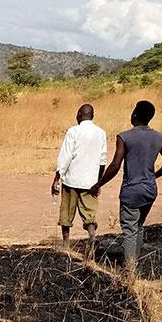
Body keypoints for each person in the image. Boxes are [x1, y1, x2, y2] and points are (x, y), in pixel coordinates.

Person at [89, 100, 162, 271]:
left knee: (129, 230)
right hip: (150, 190)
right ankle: (134, 262)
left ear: (135, 115)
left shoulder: (125, 137)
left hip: (131, 191)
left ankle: (130, 271)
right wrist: (154, 176)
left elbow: (115, 166)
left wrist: (98, 184)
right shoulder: (158, 137)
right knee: (138, 226)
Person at [51, 104, 107, 252]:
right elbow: (103, 161)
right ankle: (92, 236)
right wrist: (98, 182)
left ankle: (66, 244)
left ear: (79, 114)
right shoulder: (101, 133)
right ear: (92, 116)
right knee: (89, 213)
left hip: (72, 179)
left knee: (66, 212)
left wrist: (57, 178)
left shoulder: (73, 131)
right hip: (90, 182)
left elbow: (66, 156)